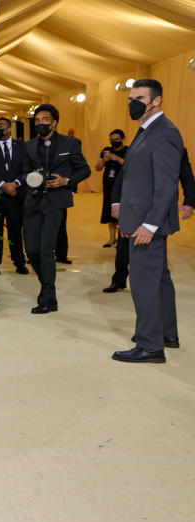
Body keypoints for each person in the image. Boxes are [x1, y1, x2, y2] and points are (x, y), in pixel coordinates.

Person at [111, 79, 185, 363]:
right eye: (131, 97)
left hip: (148, 224)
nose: (133, 102)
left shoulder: (164, 132)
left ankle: (150, 346)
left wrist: (150, 225)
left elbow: (167, 185)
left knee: (143, 283)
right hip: (139, 218)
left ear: (157, 101)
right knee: (160, 278)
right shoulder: (147, 130)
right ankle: (167, 333)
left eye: (140, 97)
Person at [18, 104, 90, 314]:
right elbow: (23, 173)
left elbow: (84, 169)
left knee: (46, 249)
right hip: (33, 201)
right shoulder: (28, 146)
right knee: (31, 250)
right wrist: (31, 178)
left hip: (56, 203)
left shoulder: (71, 143)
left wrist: (66, 181)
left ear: (55, 122)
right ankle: (46, 286)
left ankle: (48, 297)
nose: (41, 123)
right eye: (37, 120)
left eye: (45, 119)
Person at [104, 148, 194, 294]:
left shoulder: (177, 148)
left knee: (155, 247)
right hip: (133, 205)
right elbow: (123, 175)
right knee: (124, 245)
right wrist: (115, 202)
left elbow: (186, 175)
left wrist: (189, 201)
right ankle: (119, 279)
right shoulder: (138, 145)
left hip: (161, 206)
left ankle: (151, 285)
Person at [0, 117, 28, 274]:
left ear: (9, 129)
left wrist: (16, 183)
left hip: (16, 196)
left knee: (15, 231)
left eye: (1, 126)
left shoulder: (22, 147)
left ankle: (19, 262)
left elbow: (27, 169)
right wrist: (3, 185)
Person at [97, 129, 127, 247]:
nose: (114, 142)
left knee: (121, 211)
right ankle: (111, 238)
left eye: (117, 139)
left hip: (123, 186)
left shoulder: (127, 150)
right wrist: (104, 159)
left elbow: (131, 165)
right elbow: (98, 167)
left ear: (122, 139)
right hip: (108, 185)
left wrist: (117, 158)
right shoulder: (106, 150)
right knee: (109, 211)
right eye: (112, 140)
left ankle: (121, 239)